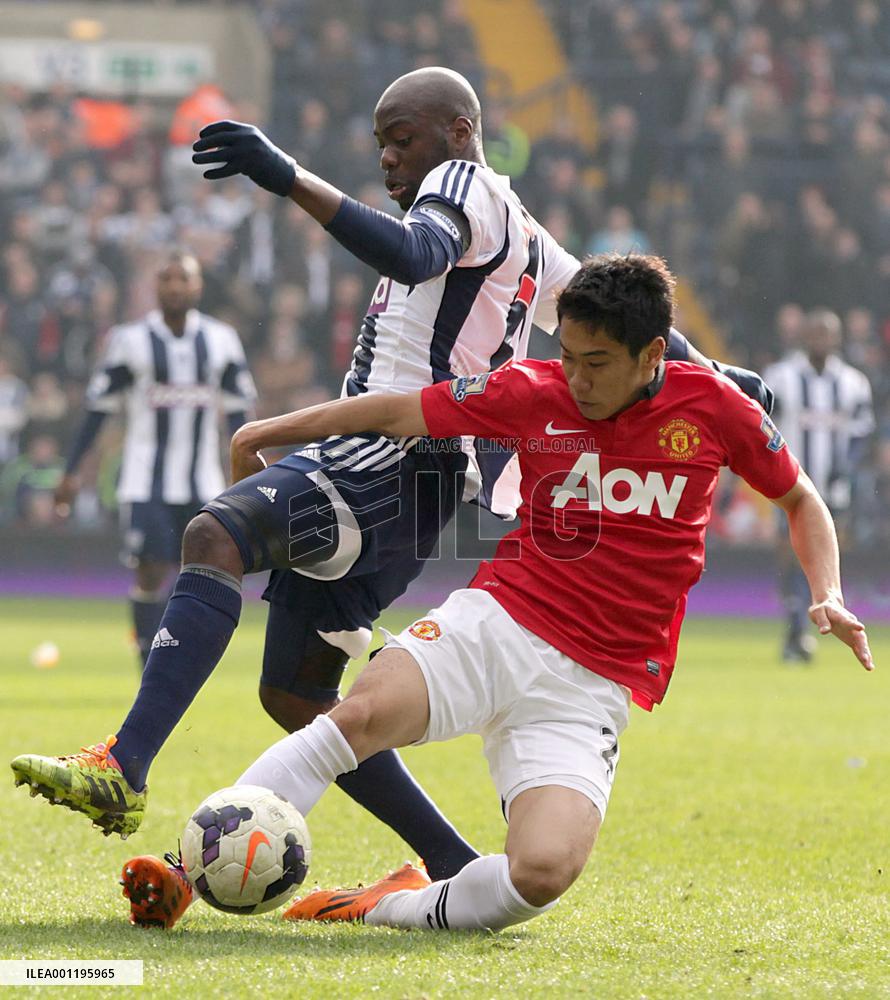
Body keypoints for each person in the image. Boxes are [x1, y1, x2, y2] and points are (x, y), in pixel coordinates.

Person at [11, 69, 771, 889]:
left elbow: (414, 253)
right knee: (299, 698)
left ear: (457, 129)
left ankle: (124, 766)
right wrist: (723, 378)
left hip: (392, 459)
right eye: (379, 143)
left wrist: (287, 175)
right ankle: (450, 864)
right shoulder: (529, 239)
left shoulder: (463, 184)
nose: (387, 158)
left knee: (213, 534)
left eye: (399, 138)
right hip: (426, 494)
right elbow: (629, 319)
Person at [115, 254, 872, 931]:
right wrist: (268, 430)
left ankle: (386, 904)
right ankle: (184, 871)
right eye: (569, 356)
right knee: (359, 716)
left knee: (540, 875)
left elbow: (801, 500)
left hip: (594, 685)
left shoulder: (715, 408)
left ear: (651, 355)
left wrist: (827, 592)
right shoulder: (531, 390)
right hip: (499, 623)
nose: (576, 378)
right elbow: (398, 409)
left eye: (597, 363)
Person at [52, 250, 256, 667]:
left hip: (203, 481)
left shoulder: (220, 340)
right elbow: (98, 411)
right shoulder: (129, 341)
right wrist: (71, 472)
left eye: (184, 278)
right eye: (167, 279)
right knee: (149, 571)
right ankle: (148, 662)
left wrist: (247, 476)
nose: (176, 287)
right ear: (155, 287)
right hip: (146, 480)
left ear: (198, 286)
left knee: (206, 572)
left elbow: (240, 415)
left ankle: (187, 659)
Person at [765, 309, 874, 662]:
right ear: (803, 337)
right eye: (815, 334)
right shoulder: (781, 377)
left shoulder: (853, 382)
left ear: (838, 339)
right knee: (790, 552)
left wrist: (846, 467)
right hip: (790, 486)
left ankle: (812, 617)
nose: (820, 341)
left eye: (827, 334)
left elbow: (861, 434)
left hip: (835, 486)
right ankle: (796, 622)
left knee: (826, 553)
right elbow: (764, 427)